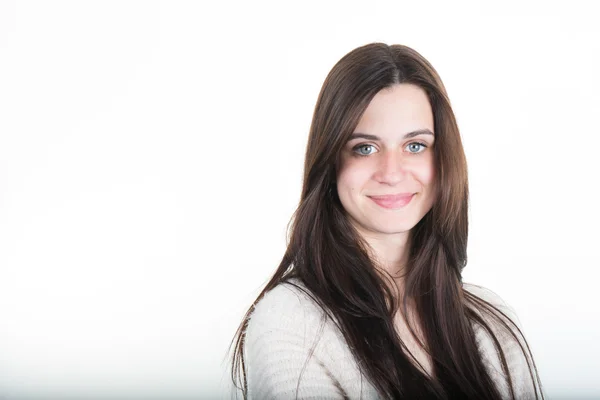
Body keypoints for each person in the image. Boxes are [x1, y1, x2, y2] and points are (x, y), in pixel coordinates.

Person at [228, 43, 544, 399]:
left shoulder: (493, 323)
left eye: (415, 146)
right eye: (365, 147)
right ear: (330, 162)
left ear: (444, 158)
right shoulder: (290, 322)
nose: (392, 173)